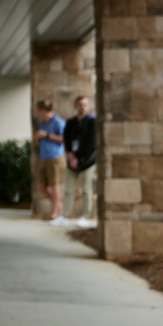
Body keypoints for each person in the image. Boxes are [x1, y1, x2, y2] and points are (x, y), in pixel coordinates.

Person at [63, 95, 97, 229]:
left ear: (88, 106)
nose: (82, 107)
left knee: (86, 189)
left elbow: (91, 144)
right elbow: (67, 141)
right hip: (72, 161)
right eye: (80, 104)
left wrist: (79, 158)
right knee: (69, 189)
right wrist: (70, 156)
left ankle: (85, 216)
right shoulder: (70, 123)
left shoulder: (92, 122)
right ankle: (64, 216)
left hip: (87, 161)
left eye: (85, 104)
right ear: (75, 106)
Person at [34, 99, 68, 225]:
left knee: (54, 185)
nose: (36, 112)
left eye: (37, 110)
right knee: (41, 186)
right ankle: (58, 204)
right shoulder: (42, 123)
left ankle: (55, 213)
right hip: (44, 157)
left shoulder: (58, 122)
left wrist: (47, 135)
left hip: (55, 158)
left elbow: (64, 139)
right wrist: (37, 138)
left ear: (43, 110)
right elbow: (40, 141)